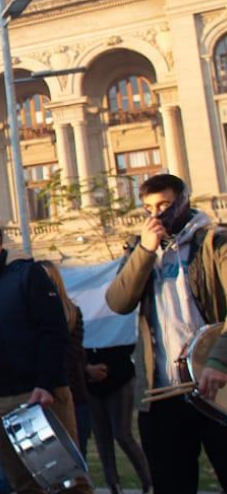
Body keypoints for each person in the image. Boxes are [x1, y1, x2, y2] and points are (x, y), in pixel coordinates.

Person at [106, 173, 227, 494]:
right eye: (149, 208)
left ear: (183, 202)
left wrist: (219, 360)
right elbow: (118, 301)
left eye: (164, 205)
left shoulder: (213, 242)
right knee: (171, 483)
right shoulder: (141, 249)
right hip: (163, 391)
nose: (156, 214)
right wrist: (145, 251)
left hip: (216, 387)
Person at [0, 218, 91, 494]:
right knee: (22, 483)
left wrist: (46, 382)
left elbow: (53, 332)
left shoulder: (28, 275)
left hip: (39, 393)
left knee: (66, 480)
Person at [84, 342, 152, 494]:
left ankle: (148, 481)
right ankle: (113, 484)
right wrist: (87, 367)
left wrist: (108, 366)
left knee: (122, 434)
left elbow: (127, 342)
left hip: (119, 378)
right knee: (102, 437)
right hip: (91, 383)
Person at [40, 262, 91, 459]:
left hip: (70, 392)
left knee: (75, 456)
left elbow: (71, 354)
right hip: (40, 396)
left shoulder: (72, 313)